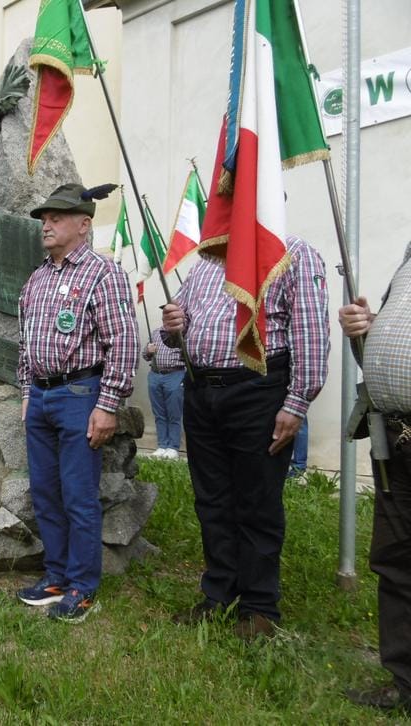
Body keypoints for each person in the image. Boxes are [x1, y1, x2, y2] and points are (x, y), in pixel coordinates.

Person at [162, 234, 329, 639]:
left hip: (256, 390)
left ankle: (258, 607)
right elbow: (173, 333)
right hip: (203, 391)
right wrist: (172, 327)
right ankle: (219, 594)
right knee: (212, 500)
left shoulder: (292, 252)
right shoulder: (206, 261)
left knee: (256, 500)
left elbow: (310, 331)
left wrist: (296, 403)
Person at [15, 183, 139, 623]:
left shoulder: (103, 274)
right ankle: (56, 577)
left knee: (78, 496)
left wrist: (107, 405)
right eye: (44, 218)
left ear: (84, 225)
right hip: (43, 396)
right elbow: (25, 343)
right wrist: (28, 392)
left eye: (57, 217)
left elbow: (122, 343)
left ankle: (83, 587)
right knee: (46, 493)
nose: (46, 224)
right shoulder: (37, 278)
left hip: (79, 396)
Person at [339, 241, 411, 715]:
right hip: (398, 439)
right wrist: (366, 329)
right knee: (398, 562)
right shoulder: (408, 259)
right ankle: (405, 683)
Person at [142, 327, 185, 459]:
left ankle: (173, 447)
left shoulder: (182, 333)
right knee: (159, 413)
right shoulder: (155, 332)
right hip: (155, 375)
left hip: (175, 374)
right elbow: (145, 356)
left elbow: (190, 357)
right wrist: (148, 351)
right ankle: (162, 445)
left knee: (174, 413)